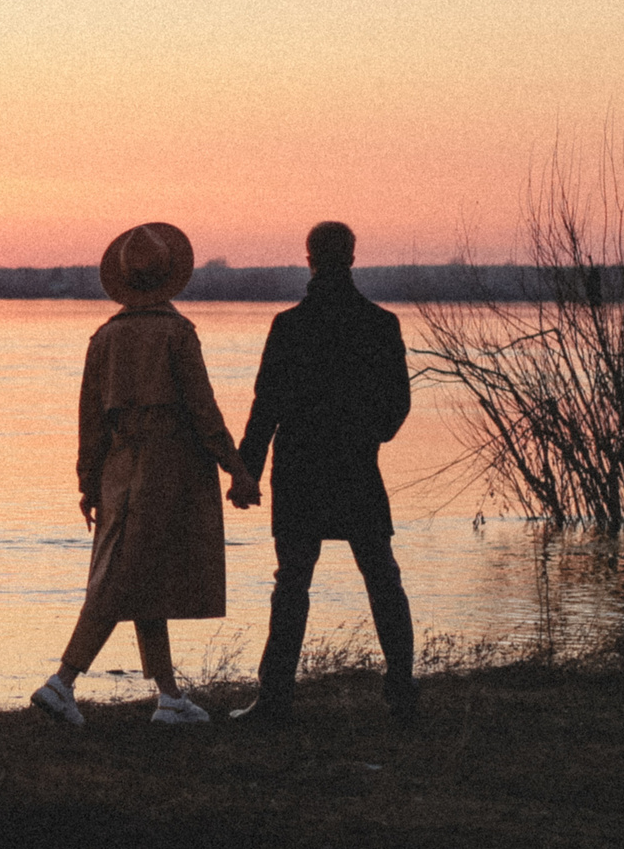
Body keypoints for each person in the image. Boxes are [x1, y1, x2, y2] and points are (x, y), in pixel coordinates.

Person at [32, 222, 242, 728]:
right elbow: (203, 410)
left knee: (141, 576)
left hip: (118, 467)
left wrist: (88, 482)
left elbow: (89, 420)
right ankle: (62, 682)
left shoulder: (105, 337)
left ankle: (168, 697)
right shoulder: (177, 334)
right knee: (122, 579)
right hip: (170, 468)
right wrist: (237, 467)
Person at [227, 220, 416, 725]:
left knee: (292, 583)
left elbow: (265, 407)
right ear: (353, 256)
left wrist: (247, 473)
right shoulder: (380, 324)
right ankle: (401, 694)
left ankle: (274, 700)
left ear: (308, 258)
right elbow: (397, 406)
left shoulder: (290, 325)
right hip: (356, 468)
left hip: (301, 470)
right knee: (382, 577)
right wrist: (365, 435)